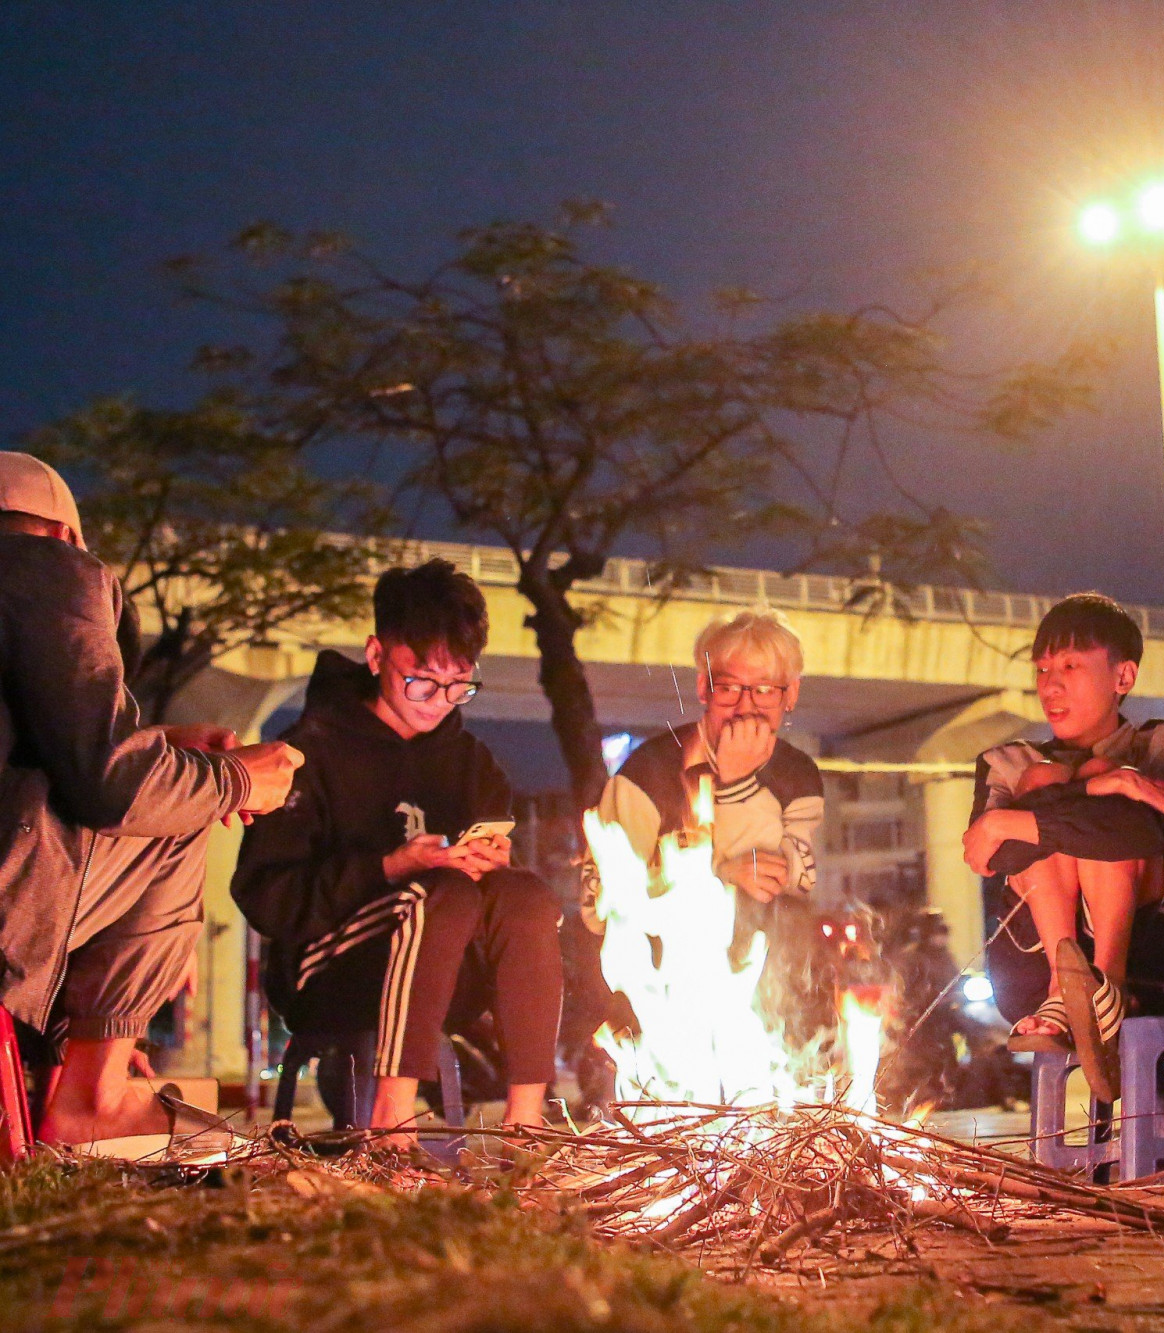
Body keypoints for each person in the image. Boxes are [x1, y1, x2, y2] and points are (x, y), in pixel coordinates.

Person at [0, 451, 301, 1145]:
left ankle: (76, 1061)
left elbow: (32, 760)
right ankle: (92, 1095)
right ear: (67, 536)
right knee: (175, 812)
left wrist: (162, 742)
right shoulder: (46, 569)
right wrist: (236, 778)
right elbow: (108, 782)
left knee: (172, 779)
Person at [233, 559, 562, 1143]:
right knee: (446, 893)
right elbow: (267, 898)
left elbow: (493, 882)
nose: (439, 702)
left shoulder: (472, 764)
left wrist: (492, 863)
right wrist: (392, 864)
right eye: (423, 681)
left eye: (459, 685)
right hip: (329, 972)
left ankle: (528, 1127)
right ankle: (391, 1125)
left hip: (443, 972)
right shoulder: (309, 753)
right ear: (378, 655)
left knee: (528, 896)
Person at [964, 592, 1164, 1104]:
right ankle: (1073, 994)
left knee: (1095, 807)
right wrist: (1097, 790)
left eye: (1071, 666)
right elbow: (993, 859)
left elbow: (1144, 835)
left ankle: (1106, 986)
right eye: (1042, 669)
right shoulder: (1006, 761)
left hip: (1162, 961)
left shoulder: (1159, 744)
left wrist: (1015, 818)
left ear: (1122, 678)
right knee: (1048, 782)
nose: (1051, 685)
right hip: (1032, 973)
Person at [590, 608, 828, 1053]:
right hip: (660, 964)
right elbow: (598, 903)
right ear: (703, 687)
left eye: (765, 690)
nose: (746, 706)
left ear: (790, 694)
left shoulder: (798, 773)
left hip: (761, 962)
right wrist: (715, 877)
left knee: (784, 917)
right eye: (730, 688)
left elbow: (792, 877)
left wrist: (737, 785)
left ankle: (783, 1072)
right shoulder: (649, 770)